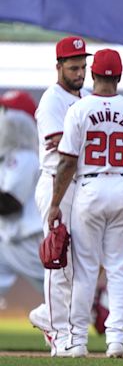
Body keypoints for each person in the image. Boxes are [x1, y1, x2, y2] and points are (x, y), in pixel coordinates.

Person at [47, 48, 123, 358]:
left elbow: (68, 162)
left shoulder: (79, 109)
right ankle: (116, 341)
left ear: (93, 74)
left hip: (90, 187)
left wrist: (56, 202)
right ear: (119, 76)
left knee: (84, 270)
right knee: (119, 270)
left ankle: (78, 340)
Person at [29, 36, 109, 357]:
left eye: (83, 66)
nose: (79, 72)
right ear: (59, 66)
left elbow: (79, 142)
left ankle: (48, 316)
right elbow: (63, 148)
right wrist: (80, 140)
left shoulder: (87, 96)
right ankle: (58, 332)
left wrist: (78, 140)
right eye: (73, 66)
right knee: (58, 261)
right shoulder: (52, 100)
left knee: (85, 264)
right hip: (55, 186)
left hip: (83, 186)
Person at [0, 91, 44, 310]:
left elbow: (10, 203)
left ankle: (94, 304)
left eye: (5, 111)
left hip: (27, 239)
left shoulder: (24, 157)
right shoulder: (7, 157)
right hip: (7, 237)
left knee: (60, 294)